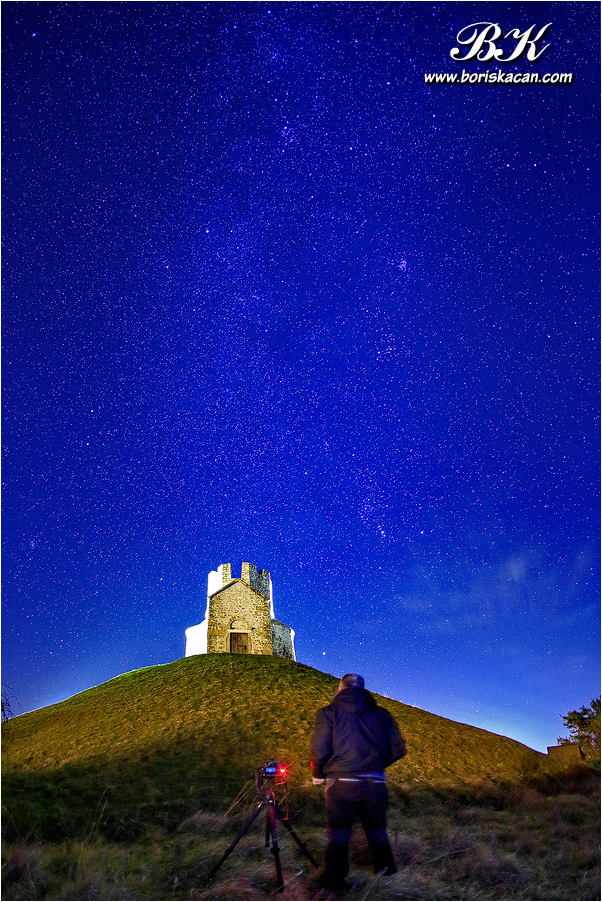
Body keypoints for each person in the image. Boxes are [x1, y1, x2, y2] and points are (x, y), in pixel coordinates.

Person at [310, 673, 406, 889]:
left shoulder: (328, 713)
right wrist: (376, 765)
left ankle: (335, 882)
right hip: (374, 782)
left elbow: (319, 747)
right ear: (363, 688)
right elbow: (398, 748)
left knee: (339, 833)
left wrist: (318, 773)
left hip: (341, 782)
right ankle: (387, 877)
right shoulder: (383, 714)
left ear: (340, 688)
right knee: (377, 831)